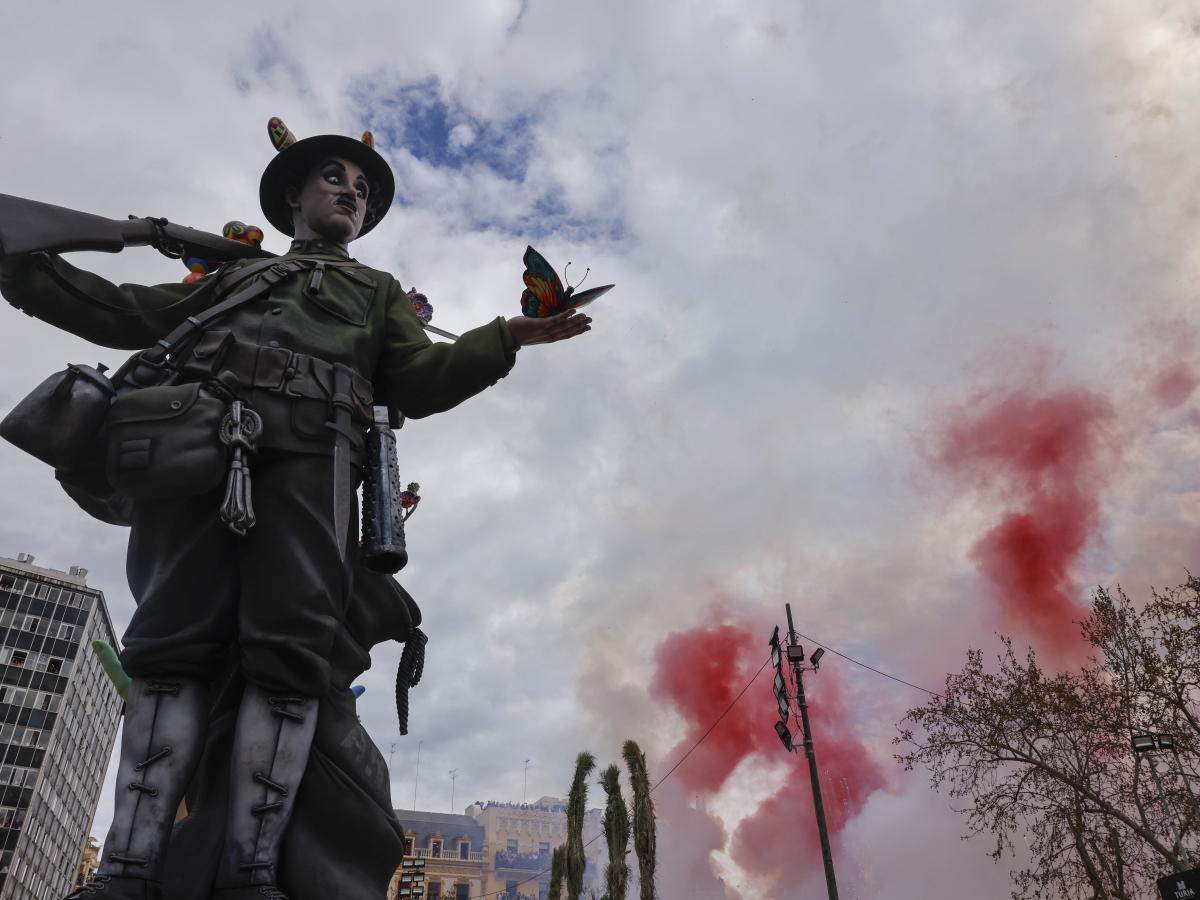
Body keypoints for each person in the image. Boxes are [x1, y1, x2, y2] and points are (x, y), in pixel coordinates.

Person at [0, 123, 590, 900]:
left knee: (290, 666)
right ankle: (125, 874)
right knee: (168, 658)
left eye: (365, 189)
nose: (353, 191)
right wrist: (18, 265)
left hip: (315, 475)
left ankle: (252, 876)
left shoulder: (375, 292)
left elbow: (419, 380)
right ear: (294, 197)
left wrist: (504, 338)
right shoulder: (233, 278)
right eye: (337, 178)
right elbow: (116, 310)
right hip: (198, 467)